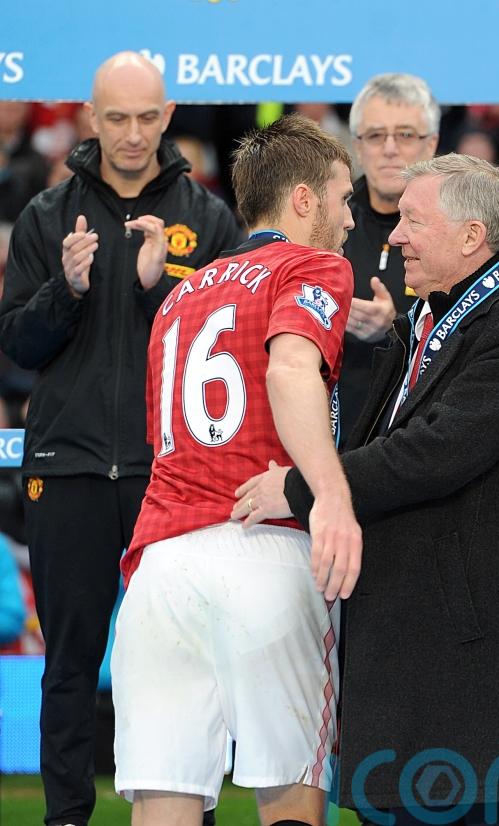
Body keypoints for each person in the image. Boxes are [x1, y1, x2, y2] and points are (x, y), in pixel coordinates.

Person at [233, 154, 499, 825]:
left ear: (471, 236)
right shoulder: (425, 323)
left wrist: (302, 488)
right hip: (429, 680)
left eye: (413, 220)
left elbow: (432, 455)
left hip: (495, 696)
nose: (395, 235)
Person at [0, 51, 242, 826]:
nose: (133, 134)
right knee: (68, 664)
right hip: (67, 467)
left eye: (146, 117)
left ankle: (189, 814)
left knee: (183, 663)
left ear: (167, 116)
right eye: (117, 118)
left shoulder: (209, 219)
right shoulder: (46, 217)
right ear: (90, 118)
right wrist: (65, 290)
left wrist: (158, 289)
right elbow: (17, 346)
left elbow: (227, 355)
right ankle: (66, 817)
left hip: (172, 473)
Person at [111, 114, 362, 826]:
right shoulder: (312, 265)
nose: (349, 219)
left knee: (164, 803)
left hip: (161, 566)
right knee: (289, 795)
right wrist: (332, 495)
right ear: (304, 199)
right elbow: (289, 368)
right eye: (343, 198)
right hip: (265, 548)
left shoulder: (179, 296)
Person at [337, 73, 440, 446]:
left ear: (432, 143)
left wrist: (396, 327)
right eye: (376, 135)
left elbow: (477, 336)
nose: (390, 149)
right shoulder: (322, 221)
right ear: (357, 146)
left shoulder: (459, 229)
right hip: (332, 435)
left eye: (406, 135)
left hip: (422, 442)